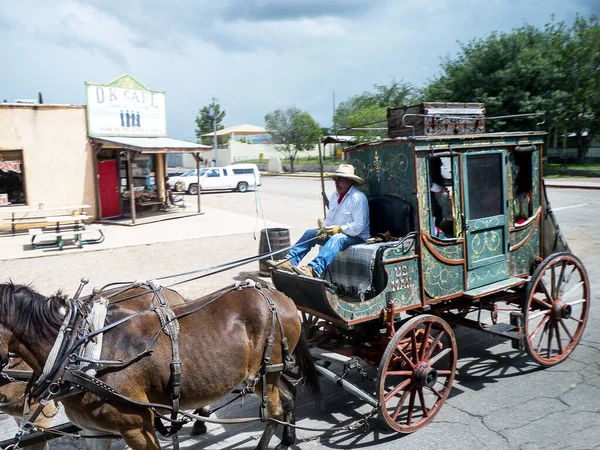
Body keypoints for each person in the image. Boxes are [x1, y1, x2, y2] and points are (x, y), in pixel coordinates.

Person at [268, 163, 370, 278]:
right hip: (339, 235)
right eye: (335, 179)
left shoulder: (358, 198)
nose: (336, 183)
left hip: (356, 237)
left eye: (340, 180)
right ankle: (289, 261)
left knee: (338, 238)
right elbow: (330, 218)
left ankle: (314, 269)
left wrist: (339, 229)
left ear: (350, 181)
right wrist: (324, 229)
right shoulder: (335, 196)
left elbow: (359, 226)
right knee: (310, 233)